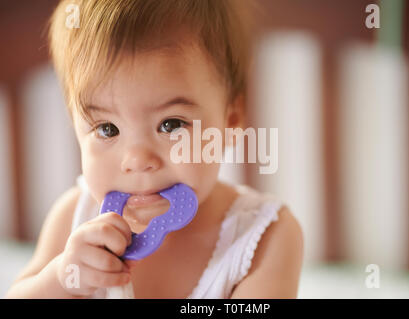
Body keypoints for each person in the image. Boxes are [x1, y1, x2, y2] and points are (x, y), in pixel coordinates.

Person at [6, 0, 303, 299]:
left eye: (171, 124)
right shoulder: (73, 217)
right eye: (107, 129)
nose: (136, 160)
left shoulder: (266, 236)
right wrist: (61, 280)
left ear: (231, 119)